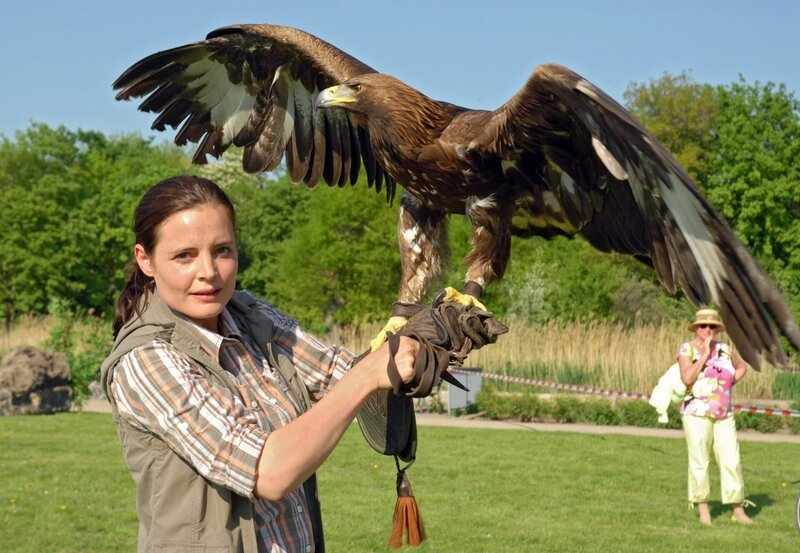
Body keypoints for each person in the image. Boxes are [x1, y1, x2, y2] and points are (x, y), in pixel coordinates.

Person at [100, 175, 420, 552]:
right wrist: (367, 375)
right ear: (146, 260)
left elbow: (338, 371)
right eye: (184, 255)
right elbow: (268, 471)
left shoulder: (250, 315)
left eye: (222, 250)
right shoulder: (147, 360)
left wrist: (426, 341)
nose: (209, 271)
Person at [677, 308, 752, 525]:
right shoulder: (687, 349)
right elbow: (687, 377)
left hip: (724, 414)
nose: (707, 329)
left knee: (732, 459)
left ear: (717, 329)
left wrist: (728, 384)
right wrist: (704, 356)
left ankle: (737, 509)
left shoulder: (726, 348)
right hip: (696, 413)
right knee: (700, 460)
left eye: (712, 326)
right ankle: (703, 511)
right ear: (697, 328)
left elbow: (742, 367)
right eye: (703, 326)